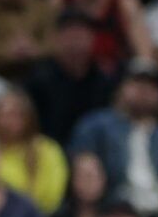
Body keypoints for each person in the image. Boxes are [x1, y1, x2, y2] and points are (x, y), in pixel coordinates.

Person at [68, 62, 158, 214]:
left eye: (151, 87)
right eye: (137, 83)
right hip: (111, 212)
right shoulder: (97, 126)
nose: (144, 91)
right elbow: (82, 165)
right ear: (120, 88)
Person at [26, 12, 119, 145]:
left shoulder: (103, 80)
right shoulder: (38, 79)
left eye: (81, 36)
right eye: (70, 36)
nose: (75, 44)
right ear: (56, 39)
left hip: (92, 157)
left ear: (92, 39)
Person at [0, 89, 68, 216]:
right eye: (5, 115)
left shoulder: (48, 149)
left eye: (17, 115)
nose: (10, 121)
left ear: (29, 117)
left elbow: (52, 196)